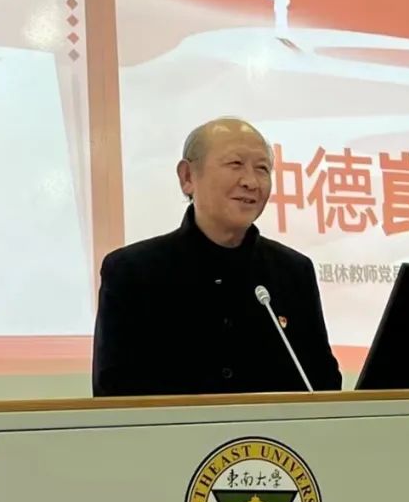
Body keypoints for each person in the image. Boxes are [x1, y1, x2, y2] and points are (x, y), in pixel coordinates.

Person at [92, 117, 342, 397]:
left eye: (262, 169)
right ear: (188, 177)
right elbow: (112, 392)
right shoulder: (132, 272)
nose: (251, 182)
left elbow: (323, 384)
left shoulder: (293, 271)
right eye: (235, 164)